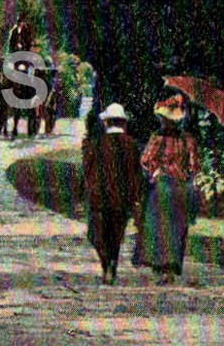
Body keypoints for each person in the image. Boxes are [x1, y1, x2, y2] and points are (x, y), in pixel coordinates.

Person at [133, 95, 202, 284]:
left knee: (158, 226)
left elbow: (146, 160)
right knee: (177, 227)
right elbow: (194, 165)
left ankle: (159, 265)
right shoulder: (187, 140)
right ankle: (172, 267)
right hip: (181, 187)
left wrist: (155, 171)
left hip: (163, 184)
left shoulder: (158, 138)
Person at [82, 104, 144, 285]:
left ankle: (106, 265)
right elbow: (135, 174)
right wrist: (135, 198)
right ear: (123, 123)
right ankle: (112, 264)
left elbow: (88, 171)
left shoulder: (96, 143)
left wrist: (86, 192)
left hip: (99, 197)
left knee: (97, 234)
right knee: (116, 235)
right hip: (122, 199)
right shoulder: (131, 144)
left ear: (107, 122)